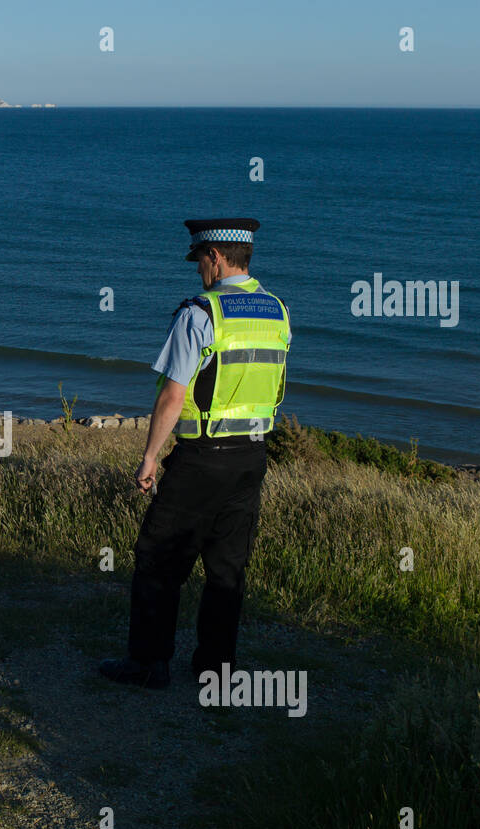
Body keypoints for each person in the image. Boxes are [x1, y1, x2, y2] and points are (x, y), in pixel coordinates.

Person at [99, 218, 292, 689]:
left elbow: (172, 394)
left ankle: (148, 664)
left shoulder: (201, 313)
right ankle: (217, 672)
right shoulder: (276, 311)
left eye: (200, 261)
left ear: (215, 258)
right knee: (227, 569)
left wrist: (149, 457)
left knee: (158, 558)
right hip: (252, 458)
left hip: (203, 457)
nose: (199, 272)